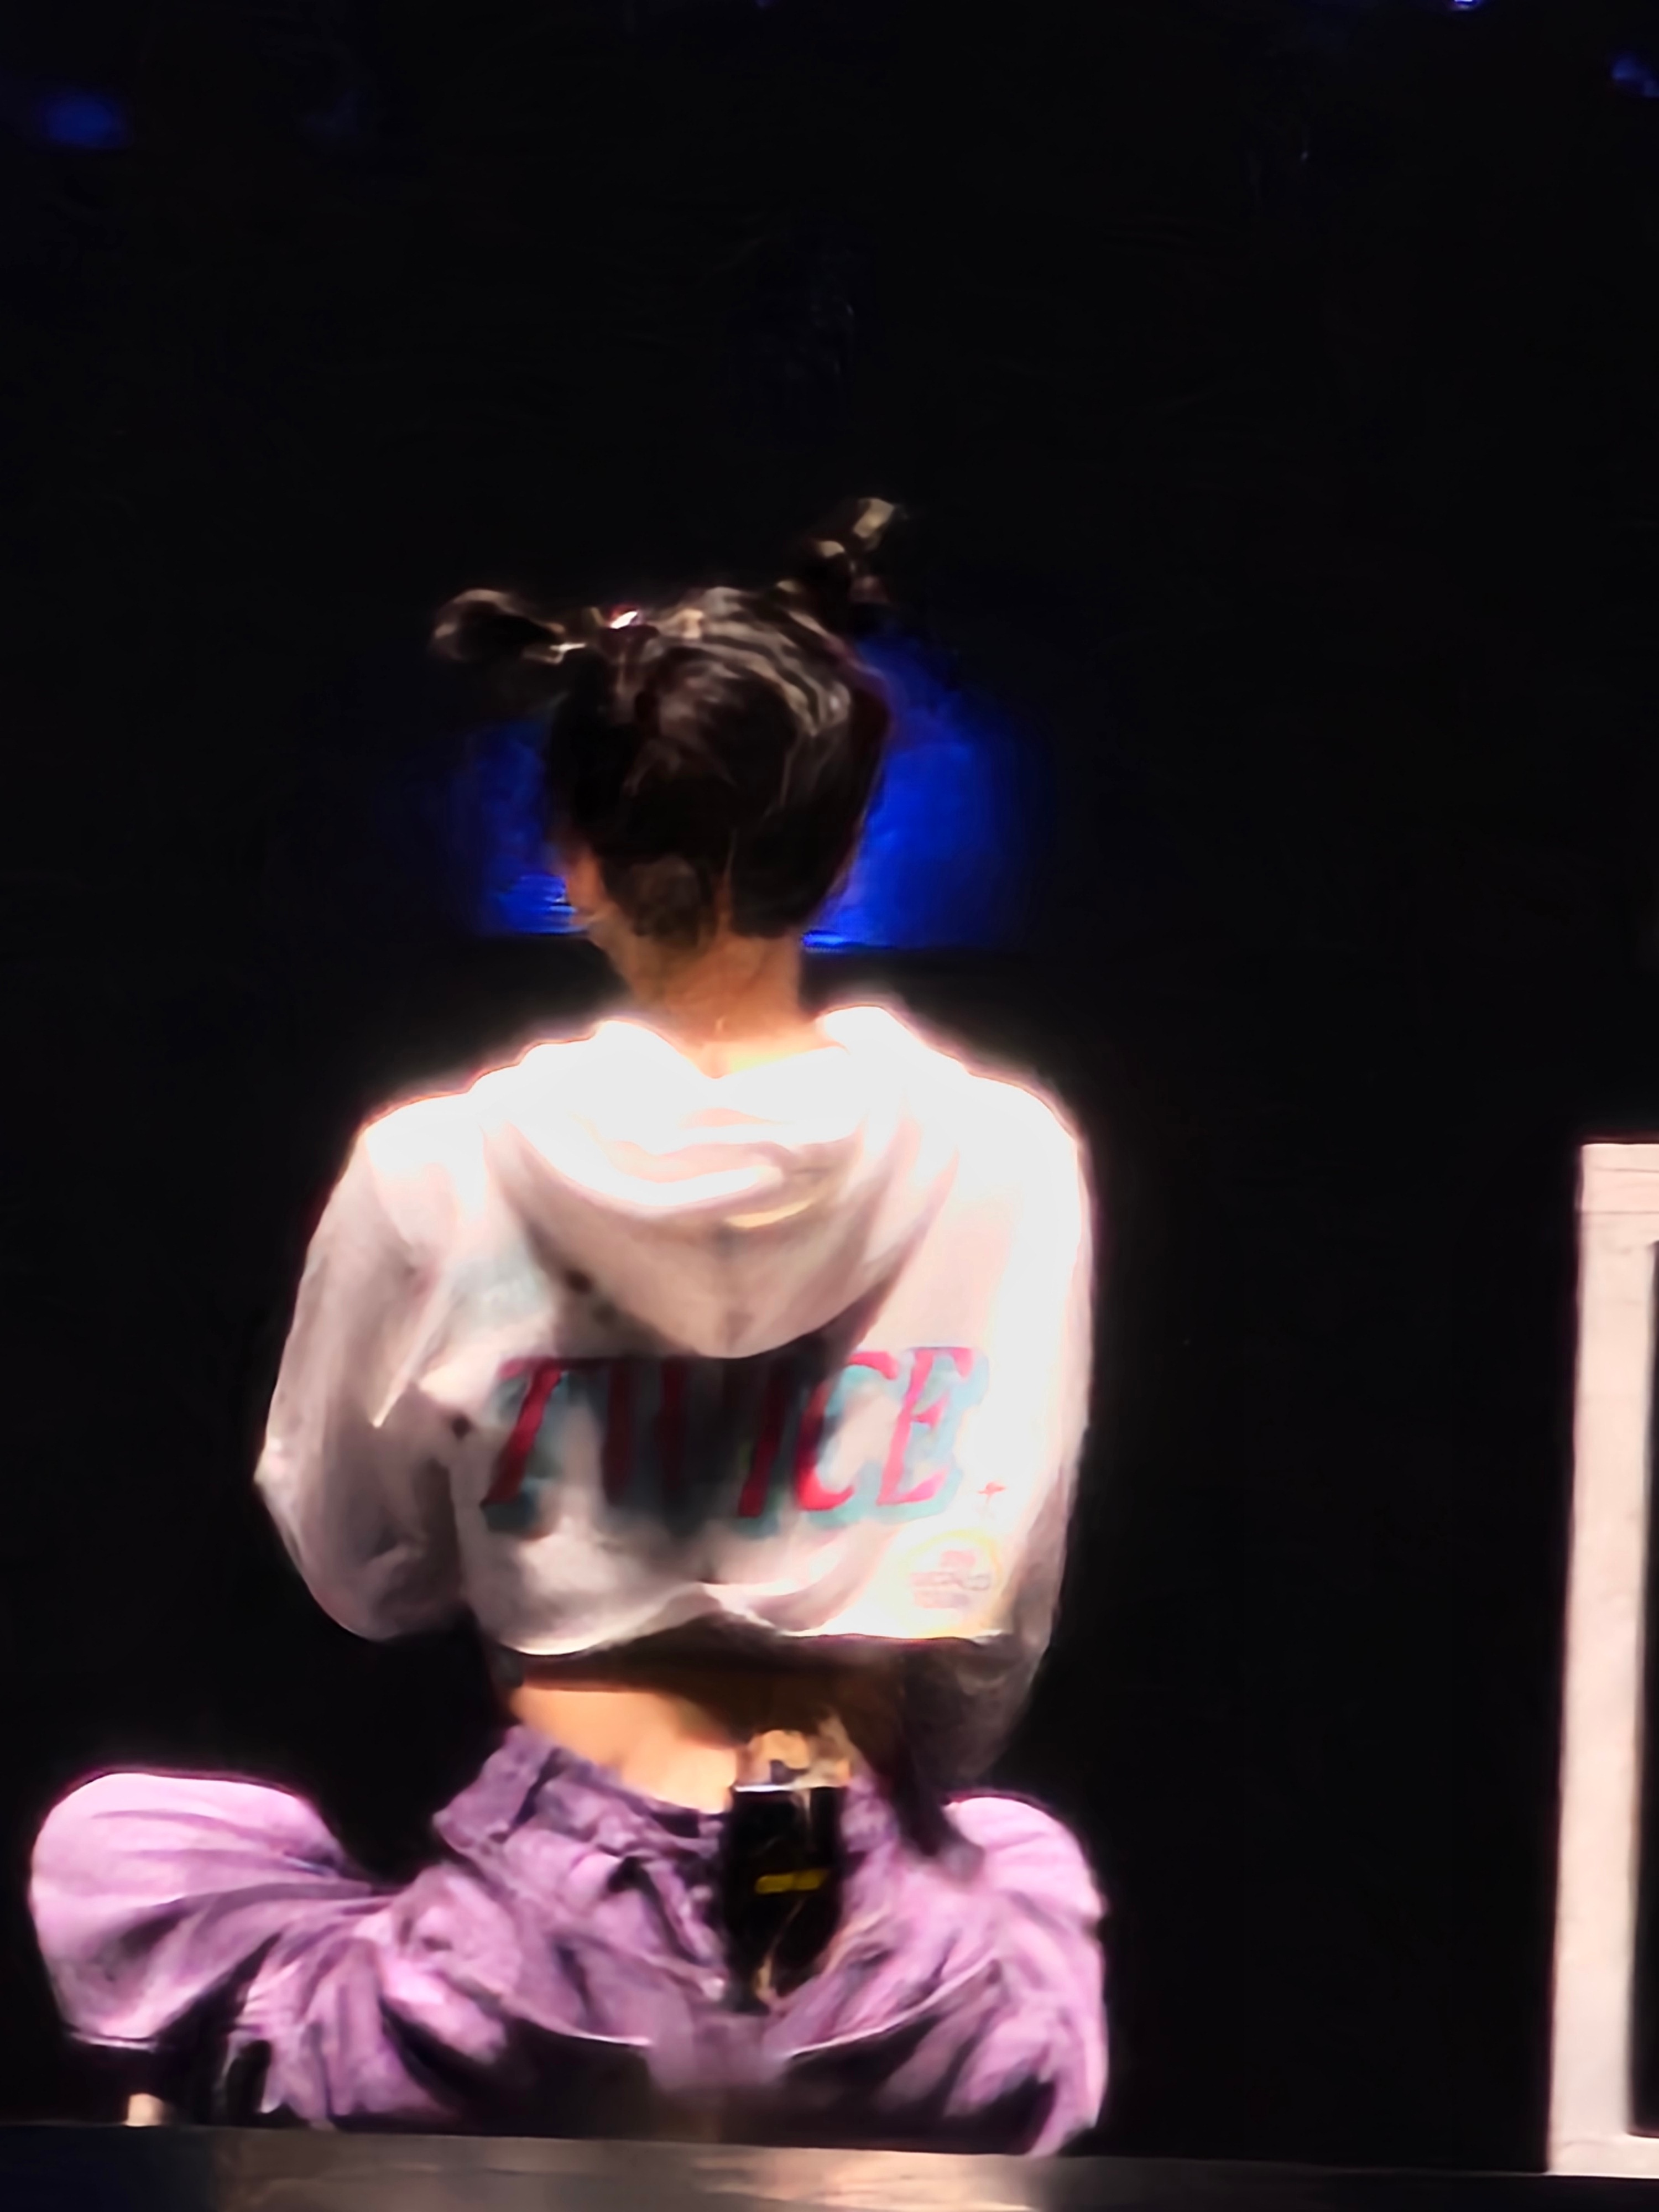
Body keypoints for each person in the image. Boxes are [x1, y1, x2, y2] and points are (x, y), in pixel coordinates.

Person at [28, 500, 1107, 2152]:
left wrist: (571, 1519)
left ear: (574, 857)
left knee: (123, 1850)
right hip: (875, 1948)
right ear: (840, 854)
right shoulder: (1010, 1162)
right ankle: (806, 2069)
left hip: (533, 1967)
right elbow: (989, 1618)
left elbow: (361, 1568)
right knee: (1026, 1865)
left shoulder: (436, 1167)